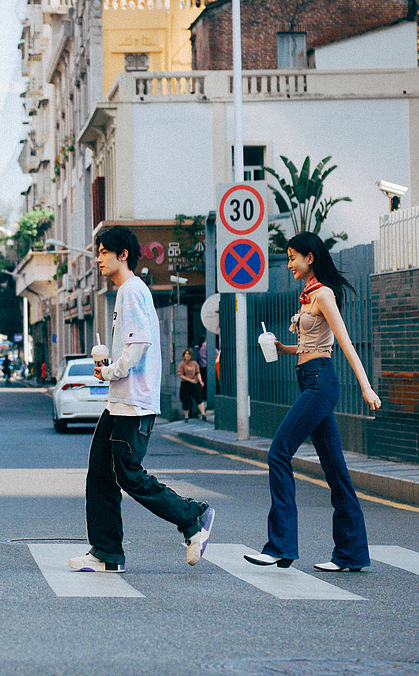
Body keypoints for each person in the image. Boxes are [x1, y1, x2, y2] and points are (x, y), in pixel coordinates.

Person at [70, 226, 216, 573]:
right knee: (100, 476)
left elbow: (138, 348)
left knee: (129, 474)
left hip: (133, 403)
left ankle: (193, 517)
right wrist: (112, 370)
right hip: (120, 402)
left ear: (123, 254)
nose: (99, 259)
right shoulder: (127, 292)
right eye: (98, 252)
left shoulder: (132, 291)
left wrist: (109, 372)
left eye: (104, 252)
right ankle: (106, 553)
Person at [244, 231, 381, 573]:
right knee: (335, 470)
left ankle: (280, 546)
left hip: (321, 382)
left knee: (279, 451)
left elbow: (344, 343)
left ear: (310, 258)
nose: (289, 264)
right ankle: (350, 554)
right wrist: (283, 348)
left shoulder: (323, 295)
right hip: (309, 377)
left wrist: (366, 386)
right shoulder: (306, 297)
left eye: (293, 257)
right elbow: (311, 347)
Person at [178, 348, 206, 421]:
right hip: (186, 383)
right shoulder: (182, 364)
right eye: (186, 354)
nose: (188, 356)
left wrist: (200, 381)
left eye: (189, 354)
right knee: (186, 400)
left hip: (195, 383)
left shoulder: (194, 363)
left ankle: (203, 414)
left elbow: (198, 372)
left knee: (199, 398)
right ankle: (186, 417)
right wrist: (190, 380)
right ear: (184, 355)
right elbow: (180, 375)